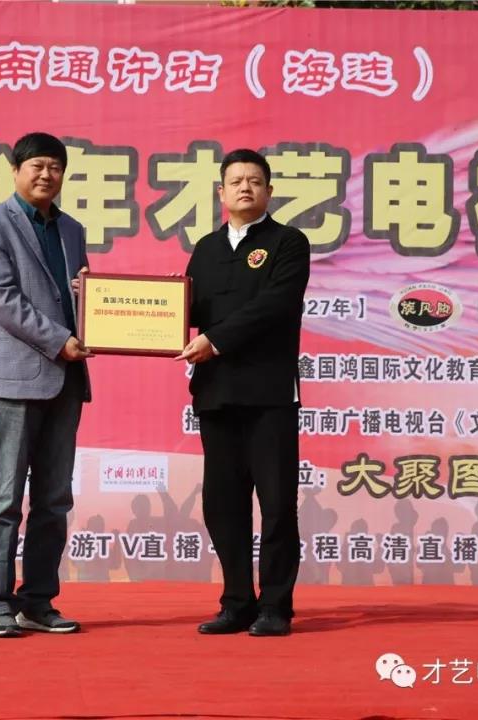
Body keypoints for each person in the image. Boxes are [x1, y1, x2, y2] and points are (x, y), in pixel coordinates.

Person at [177, 148, 310, 636]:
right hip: (216, 393)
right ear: (221, 192)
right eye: (236, 181)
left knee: (276, 505)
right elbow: (190, 309)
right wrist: (152, 306)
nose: (245, 188)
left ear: (269, 191)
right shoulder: (206, 248)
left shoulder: (288, 242)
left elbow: (275, 305)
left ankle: (275, 606)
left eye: (255, 181)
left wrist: (215, 340)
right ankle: (237, 602)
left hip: (269, 394)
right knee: (223, 504)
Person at [0, 132, 92, 638]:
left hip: (66, 380)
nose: (46, 175)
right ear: (16, 170)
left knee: (54, 500)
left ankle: (38, 602)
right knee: (4, 500)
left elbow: (80, 300)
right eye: (37, 165)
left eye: (55, 167)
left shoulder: (72, 229)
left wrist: (90, 297)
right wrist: (60, 340)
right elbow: (1, 297)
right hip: (15, 378)